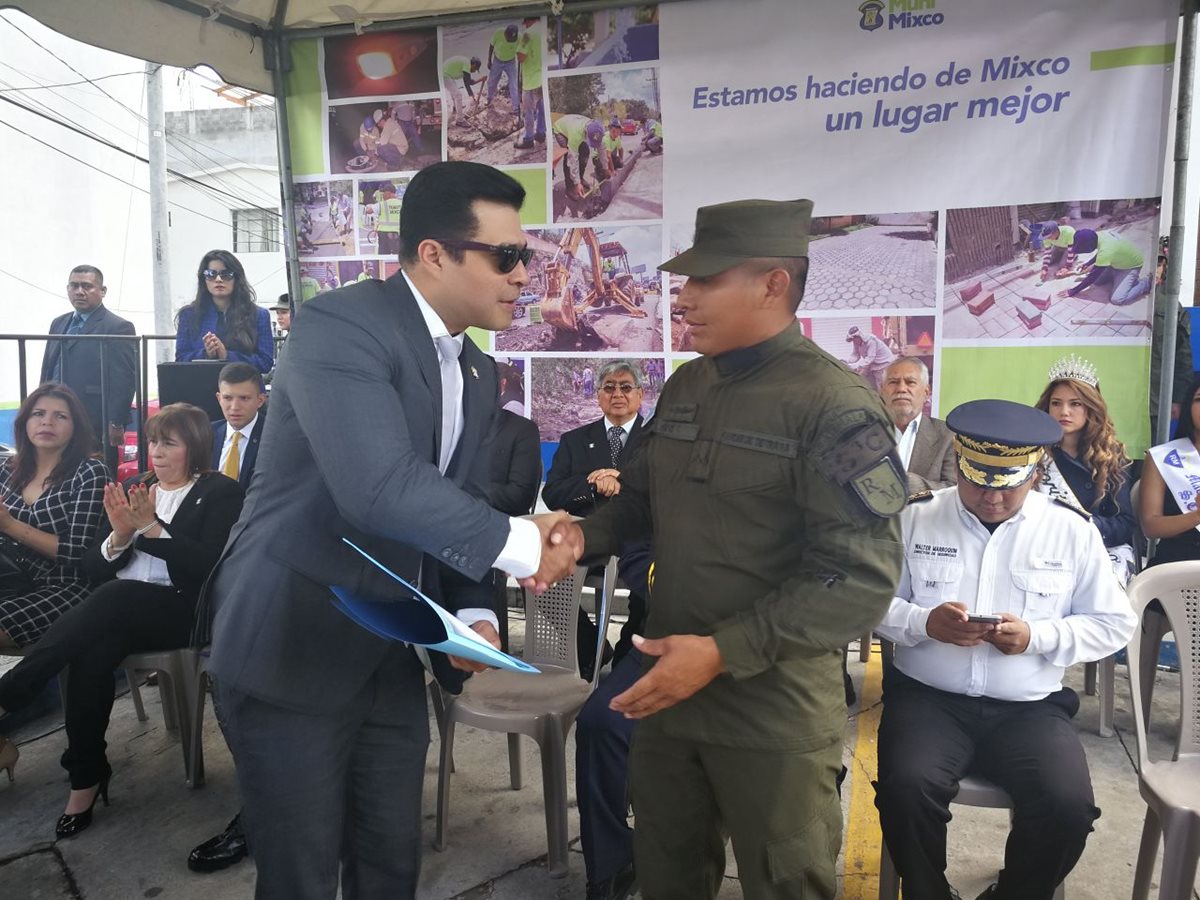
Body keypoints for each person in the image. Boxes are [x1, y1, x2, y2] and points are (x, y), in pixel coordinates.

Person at [202, 161, 574, 900]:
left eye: (525, 256)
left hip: (387, 656)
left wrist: (470, 614)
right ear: (435, 254)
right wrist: (526, 544)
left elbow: (450, 499)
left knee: (388, 867)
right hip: (292, 649)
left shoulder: (473, 367)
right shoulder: (339, 325)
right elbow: (379, 489)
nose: (523, 274)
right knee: (301, 875)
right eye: (507, 256)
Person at [548, 198, 906, 900]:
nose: (684, 296)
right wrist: (577, 537)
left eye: (706, 279)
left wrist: (719, 653)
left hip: (768, 708)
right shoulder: (687, 385)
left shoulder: (834, 406)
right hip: (668, 694)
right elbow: (642, 503)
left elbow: (861, 581)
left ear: (773, 284)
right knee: (668, 873)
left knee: (784, 883)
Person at [873, 399, 1136, 900]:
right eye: (977, 483)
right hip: (930, 701)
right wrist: (923, 622)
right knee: (905, 793)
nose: (992, 499)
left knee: (1068, 807)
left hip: (1029, 709)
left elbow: (1114, 623)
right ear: (960, 465)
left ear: (1035, 473)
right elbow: (869, 603)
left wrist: (1039, 637)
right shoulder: (917, 519)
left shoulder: (1070, 530)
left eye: (1008, 486)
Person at [0, 403, 243, 837]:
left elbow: (208, 568)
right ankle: (86, 777)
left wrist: (151, 528)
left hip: (181, 610)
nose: (157, 452)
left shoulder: (220, 492)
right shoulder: (134, 485)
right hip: (120, 611)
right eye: (152, 441)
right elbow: (92, 567)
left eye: (169, 443)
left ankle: (15, 689)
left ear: (196, 446)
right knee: (90, 654)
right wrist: (119, 535)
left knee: (117, 595)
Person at [0, 384, 107, 651]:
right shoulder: (6, 469)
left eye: (61, 416)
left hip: (66, 585)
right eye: (38, 414)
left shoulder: (90, 472)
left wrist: (10, 525)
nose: (47, 422)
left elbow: (76, 552)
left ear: (75, 427)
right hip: (10, 579)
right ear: (25, 422)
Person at [1033, 354, 1135, 582]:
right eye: (1056, 403)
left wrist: (1078, 528)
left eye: (1075, 404)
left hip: (1097, 551)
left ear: (1091, 408)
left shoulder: (1112, 456)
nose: (1064, 412)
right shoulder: (1031, 453)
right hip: (1040, 552)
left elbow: (1125, 524)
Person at [40, 265, 137, 475]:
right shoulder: (59, 323)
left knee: (94, 477)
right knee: (54, 474)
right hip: (55, 415)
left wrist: (116, 421)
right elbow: (49, 366)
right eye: (74, 286)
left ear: (102, 291)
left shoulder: (117, 327)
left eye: (87, 286)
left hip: (94, 419)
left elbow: (125, 378)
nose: (79, 291)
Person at [543, 360, 647, 516]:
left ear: (640, 395)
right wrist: (592, 484)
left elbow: (672, 491)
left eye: (626, 387)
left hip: (643, 535)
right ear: (598, 396)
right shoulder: (573, 441)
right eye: (609, 388)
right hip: (586, 535)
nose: (617, 394)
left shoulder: (657, 439)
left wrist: (623, 481)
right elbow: (552, 495)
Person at [175, 251, 274, 374]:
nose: (218, 279)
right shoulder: (188, 315)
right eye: (211, 274)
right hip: (200, 385)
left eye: (226, 274)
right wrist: (206, 354)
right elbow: (180, 359)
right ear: (203, 279)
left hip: (243, 389)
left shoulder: (259, 315)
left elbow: (265, 363)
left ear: (237, 278)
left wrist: (227, 356)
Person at [1139, 374, 1200, 565]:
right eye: (1199, 399)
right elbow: (1150, 526)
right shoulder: (1163, 457)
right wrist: (1196, 516)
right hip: (1177, 565)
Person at [880, 356, 955, 492]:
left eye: (910, 382)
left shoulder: (948, 436)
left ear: (926, 393)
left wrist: (911, 484)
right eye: (894, 382)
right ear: (881, 391)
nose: (901, 388)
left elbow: (955, 491)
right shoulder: (862, 433)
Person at [1057, 228, 1151, 306]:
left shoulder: (1106, 251)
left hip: (1131, 267)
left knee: (1117, 299)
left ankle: (1146, 283)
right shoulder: (1098, 235)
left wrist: (1073, 291)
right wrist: (1088, 263)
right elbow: (1101, 252)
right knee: (1097, 282)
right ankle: (1118, 279)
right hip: (1116, 262)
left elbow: (1092, 277)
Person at [211, 362, 267, 491]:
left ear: (260, 400)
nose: (235, 407)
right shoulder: (206, 434)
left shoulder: (273, 437)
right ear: (219, 399)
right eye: (228, 398)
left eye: (244, 398)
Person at [554, 114, 605, 200]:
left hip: (573, 126)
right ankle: (570, 187)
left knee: (585, 152)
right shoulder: (576, 134)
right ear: (586, 132)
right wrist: (576, 183)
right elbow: (572, 160)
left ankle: (580, 178)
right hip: (560, 130)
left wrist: (606, 167)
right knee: (568, 157)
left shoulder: (597, 129)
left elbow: (601, 149)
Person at [514, 17, 546, 149]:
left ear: (528, 21)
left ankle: (528, 139)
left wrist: (518, 46)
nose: (525, 26)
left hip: (531, 80)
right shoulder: (544, 30)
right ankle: (541, 134)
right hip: (542, 77)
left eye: (525, 23)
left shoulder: (528, 34)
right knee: (541, 108)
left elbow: (521, 57)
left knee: (528, 111)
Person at [486, 23, 521, 120]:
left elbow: (522, 50)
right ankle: (489, 100)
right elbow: (491, 46)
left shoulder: (520, 38)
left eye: (512, 40)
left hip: (511, 62)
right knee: (492, 82)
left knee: (514, 84)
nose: (510, 41)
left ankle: (516, 108)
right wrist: (489, 60)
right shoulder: (498, 32)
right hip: (497, 60)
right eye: (509, 39)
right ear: (505, 34)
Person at [846, 324, 896, 391]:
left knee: (880, 385)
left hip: (883, 364)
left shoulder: (871, 341)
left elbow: (870, 359)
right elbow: (855, 355)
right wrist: (847, 362)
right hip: (873, 365)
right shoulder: (856, 343)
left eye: (855, 339)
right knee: (864, 378)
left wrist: (854, 366)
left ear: (859, 336)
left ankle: (882, 399)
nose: (854, 341)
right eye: (852, 339)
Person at [442, 55, 484, 125]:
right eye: (475, 68)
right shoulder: (467, 65)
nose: (474, 71)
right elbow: (467, 83)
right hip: (444, 75)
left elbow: (469, 82)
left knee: (454, 92)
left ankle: (456, 108)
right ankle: (460, 120)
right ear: (473, 64)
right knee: (458, 95)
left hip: (446, 74)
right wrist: (472, 97)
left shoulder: (466, 63)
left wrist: (481, 79)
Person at [375, 183, 402, 256]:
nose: (382, 195)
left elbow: (369, 210)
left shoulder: (382, 204)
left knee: (383, 257)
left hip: (384, 234)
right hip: (399, 234)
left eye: (384, 193)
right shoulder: (402, 203)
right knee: (399, 257)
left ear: (389, 193)